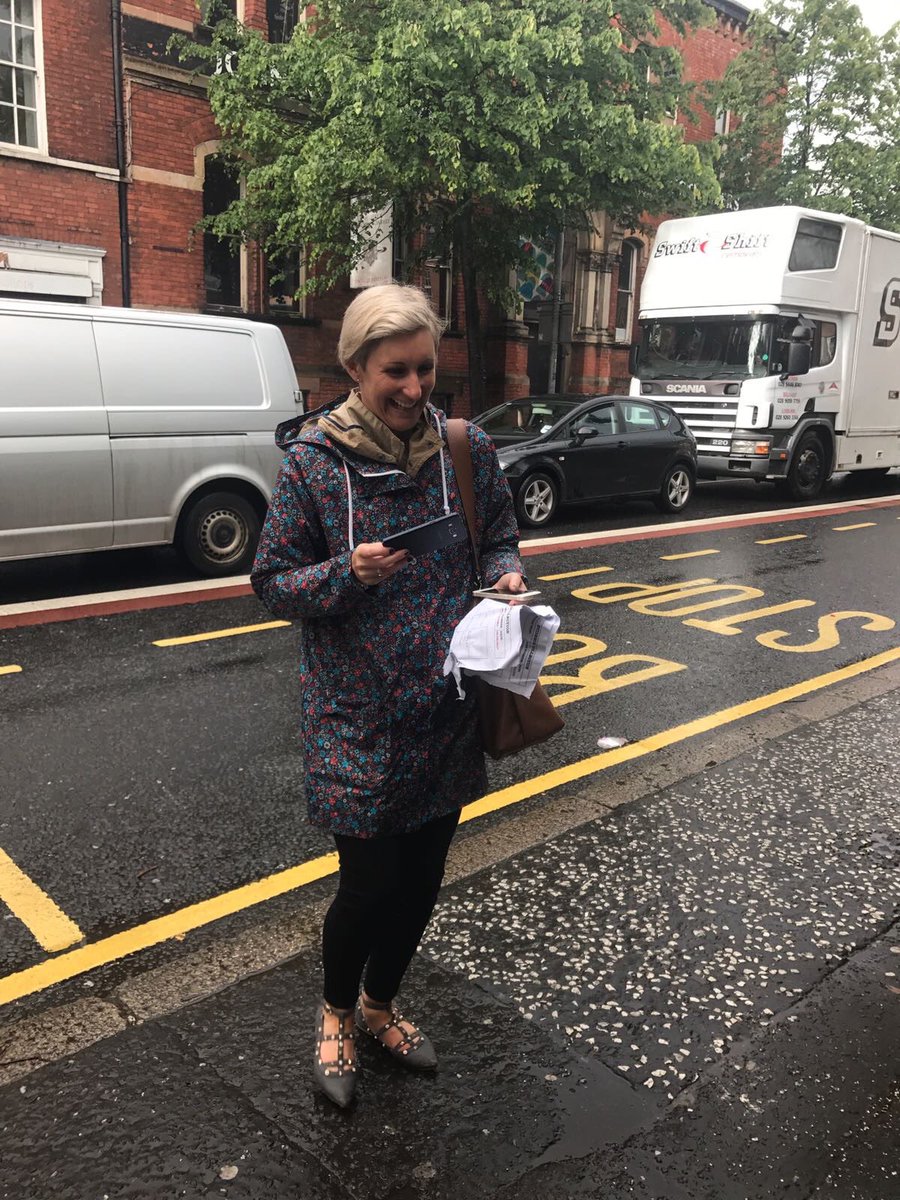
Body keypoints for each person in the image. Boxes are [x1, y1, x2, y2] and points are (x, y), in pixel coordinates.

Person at [250, 282, 526, 1108]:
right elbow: (272, 581)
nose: (413, 388)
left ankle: (379, 1006)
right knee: (368, 885)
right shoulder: (313, 464)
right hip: (355, 719)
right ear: (355, 369)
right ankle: (336, 1013)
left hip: (445, 709)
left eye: (424, 370)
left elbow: (499, 538)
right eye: (393, 372)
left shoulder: (466, 448)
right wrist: (348, 572)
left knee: (421, 880)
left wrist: (506, 574)